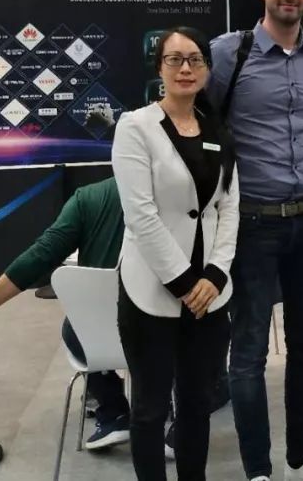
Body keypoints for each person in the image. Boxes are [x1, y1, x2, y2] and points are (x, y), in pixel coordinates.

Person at [208, 0, 303, 481]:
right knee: (249, 352)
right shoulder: (226, 54)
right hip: (253, 222)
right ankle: (258, 471)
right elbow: (197, 126)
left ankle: (300, 459)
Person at [112, 26, 239, 481]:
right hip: (153, 291)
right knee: (149, 409)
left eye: (195, 60)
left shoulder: (217, 129)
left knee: (196, 406)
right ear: (160, 68)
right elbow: (141, 215)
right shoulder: (135, 127)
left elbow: (229, 206)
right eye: (175, 59)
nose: (186, 68)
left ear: (207, 68)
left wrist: (216, 274)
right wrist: (186, 283)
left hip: (210, 296)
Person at [0, 178, 131, 451]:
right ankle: (175, 409)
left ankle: (114, 411)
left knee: (75, 328)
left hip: (101, 339)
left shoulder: (89, 199)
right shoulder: (181, 192)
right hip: (168, 337)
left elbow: (41, 255)